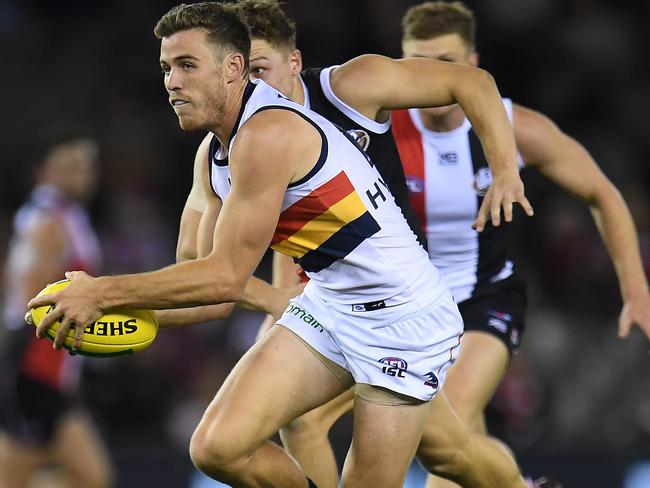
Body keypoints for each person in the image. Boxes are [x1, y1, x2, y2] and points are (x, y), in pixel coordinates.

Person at [29, 3, 532, 487]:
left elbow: (222, 277)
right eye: (165, 68)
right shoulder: (215, 152)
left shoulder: (270, 133)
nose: (172, 82)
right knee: (216, 447)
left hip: (402, 321)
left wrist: (101, 293)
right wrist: (116, 315)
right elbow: (209, 290)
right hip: (331, 306)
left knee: (446, 453)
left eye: (186, 65)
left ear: (233, 68)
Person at [390, 2, 650, 487]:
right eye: (415, 63)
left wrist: (636, 288)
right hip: (406, 312)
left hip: (485, 304)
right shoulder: (378, 128)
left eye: (444, 63)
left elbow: (603, 193)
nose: (429, 77)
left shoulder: (513, 128)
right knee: (463, 443)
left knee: (440, 429)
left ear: (473, 66)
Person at [0, 126, 112, 488]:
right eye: (70, 165)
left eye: (86, 165)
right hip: (33, 366)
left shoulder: (65, 215)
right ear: (43, 171)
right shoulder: (47, 221)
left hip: (48, 369)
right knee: (82, 477)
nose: (82, 174)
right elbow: (32, 296)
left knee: (74, 477)